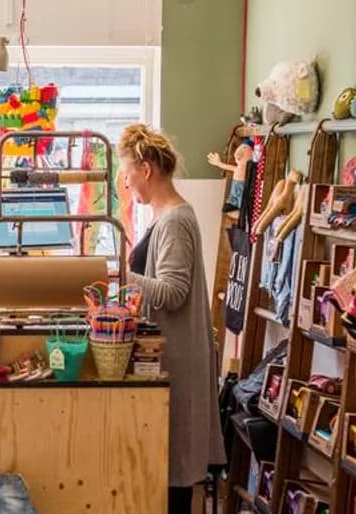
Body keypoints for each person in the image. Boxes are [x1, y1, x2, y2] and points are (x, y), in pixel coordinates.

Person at [118, 124, 225, 514]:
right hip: (168, 360)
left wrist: (118, 273)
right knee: (165, 469)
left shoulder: (176, 220)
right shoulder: (161, 216)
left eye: (128, 173)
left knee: (175, 474)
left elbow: (173, 292)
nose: (127, 183)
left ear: (146, 170)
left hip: (178, 362)